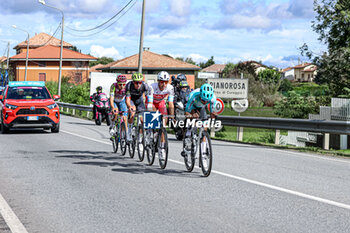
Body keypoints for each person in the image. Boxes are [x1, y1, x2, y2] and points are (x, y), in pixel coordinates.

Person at [182, 83, 217, 157]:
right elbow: (186, 111)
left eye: (206, 101)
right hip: (192, 106)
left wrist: (212, 119)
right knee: (192, 120)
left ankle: (203, 150)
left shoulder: (213, 98)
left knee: (205, 126)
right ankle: (188, 137)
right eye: (203, 100)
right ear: (200, 95)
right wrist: (191, 116)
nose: (204, 101)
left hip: (201, 108)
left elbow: (212, 112)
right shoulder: (193, 95)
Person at [125, 72, 151, 141]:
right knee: (132, 112)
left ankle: (140, 136)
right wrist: (129, 106)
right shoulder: (129, 85)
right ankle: (129, 132)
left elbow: (148, 97)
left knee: (142, 120)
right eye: (136, 83)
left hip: (140, 101)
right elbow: (127, 99)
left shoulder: (145, 86)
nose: (138, 84)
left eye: (140, 82)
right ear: (133, 82)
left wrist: (149, 106)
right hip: (131, 100)